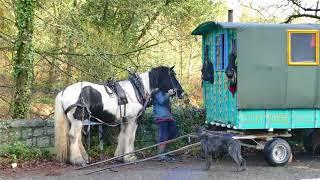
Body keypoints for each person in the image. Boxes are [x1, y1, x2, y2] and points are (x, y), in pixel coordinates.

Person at [151, 89, 178, 161]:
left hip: (168, 117)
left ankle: (166, 152)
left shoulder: (163, 91)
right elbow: (161, 101)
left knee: (172, 133)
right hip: (161, 117)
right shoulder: (156, 92)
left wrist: (172, 93)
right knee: (163, 136)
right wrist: (168, 94)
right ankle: (161, 154)